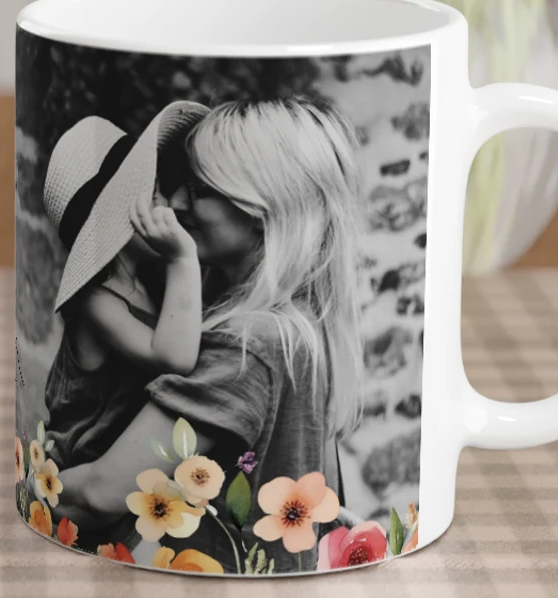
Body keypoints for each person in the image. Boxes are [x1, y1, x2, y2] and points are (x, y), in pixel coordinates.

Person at [55, 98, 372, 569]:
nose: (178, 203)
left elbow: (101, 494)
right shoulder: (301, 326)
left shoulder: (248, 346)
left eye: (199, 188)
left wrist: (29, 488)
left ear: (260, 208)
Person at [39, 102, 207, 469]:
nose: (170, 205)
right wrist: (182, 259)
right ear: (113, 218)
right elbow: (175, 359)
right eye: (153, 195)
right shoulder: (97, 302)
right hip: (80, 468)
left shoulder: (148, 281)